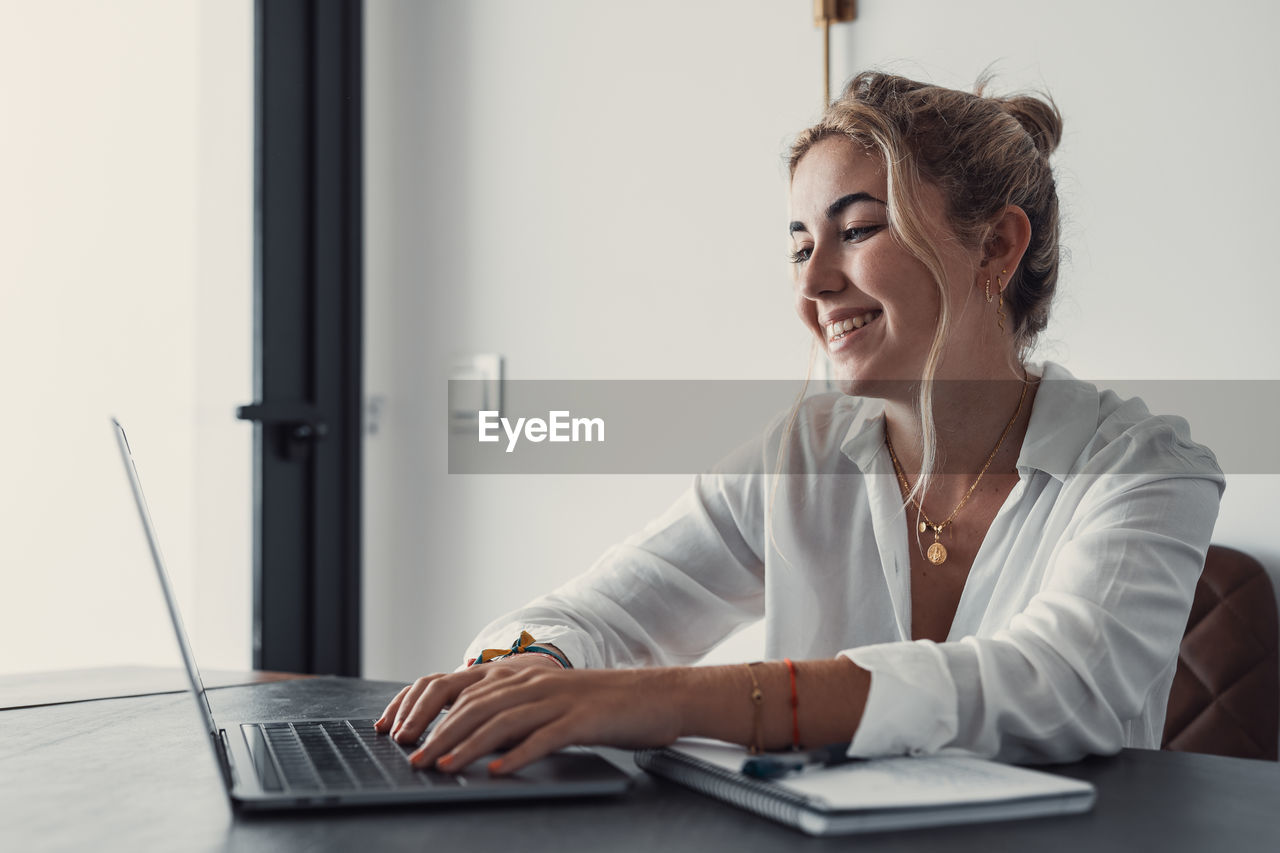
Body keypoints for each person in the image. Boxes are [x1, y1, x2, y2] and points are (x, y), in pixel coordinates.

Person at [375, 72, 1224, 775]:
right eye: (796, 246)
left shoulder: (1147, 467)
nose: (812, 283)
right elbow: (590, 614)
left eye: (855, 230)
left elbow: (1061, 684)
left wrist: (661, 697)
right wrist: (527, 668)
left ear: (997, 247)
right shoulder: (800, 453)